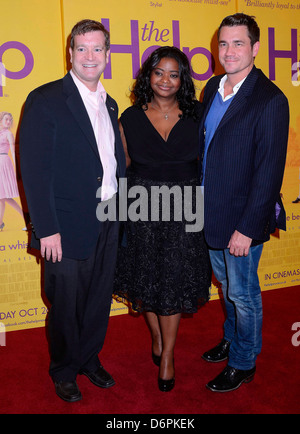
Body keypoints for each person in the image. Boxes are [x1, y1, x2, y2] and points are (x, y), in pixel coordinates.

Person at [19, 19, 126, 402]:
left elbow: (112, 162)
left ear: (108, 55)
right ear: (70, 53)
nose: (89, 56)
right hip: (63, 223)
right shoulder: (45, 98)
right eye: (82, 48)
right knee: (64, 300)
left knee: (98, 295)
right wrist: (45, 229)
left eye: (97, 49)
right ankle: (64, 369)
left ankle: (88, 359)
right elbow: (34, 168)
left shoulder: (110, 102)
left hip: (109, 216)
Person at [200, 13, 289, 392]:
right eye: (223, 43)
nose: (229, 51)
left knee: (243, 293)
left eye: (238, 43)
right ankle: (231, 338)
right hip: (210, 213)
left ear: (255, 48)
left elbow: (269, 173)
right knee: (225, 287)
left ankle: (244, 360)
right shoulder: (210, 88)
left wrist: (247, 229)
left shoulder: (270, 99)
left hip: (241, 221)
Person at [114, 46, 211, 392]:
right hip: (142, 206)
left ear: (182, 78)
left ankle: (168, 355)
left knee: (171, 279)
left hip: (184, 208)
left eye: (173, 73)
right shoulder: (129, 117)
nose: (165, 80)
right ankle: (156, 336)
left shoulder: (199, 114)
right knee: (147, 279)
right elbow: (120, 165)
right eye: (159, 73)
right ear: (148, 76)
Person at [0, 112, 24, 231]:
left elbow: (13, 152)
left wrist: (17, 168)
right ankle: (0, 223)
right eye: (6, 119)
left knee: (5, 196)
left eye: (10, 120)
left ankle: (26, 219)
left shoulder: (9, 134)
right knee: (1, 197)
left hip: (4, 162)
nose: (8, 122)